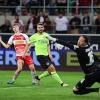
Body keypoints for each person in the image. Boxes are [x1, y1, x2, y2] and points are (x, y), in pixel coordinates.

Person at [24, 23, 68, 87]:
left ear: (43, 28)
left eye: (41, 27)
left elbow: (48, 46)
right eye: (38, 27)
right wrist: (25, 52)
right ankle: (62, 83)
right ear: (37, 28)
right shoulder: (34, 36)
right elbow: (27, 44)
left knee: (50, 71)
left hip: (46, 56)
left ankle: (38, 78)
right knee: (52, 69)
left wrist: (50, 55)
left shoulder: (46, 35)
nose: (40, 29)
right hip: (40, 56)